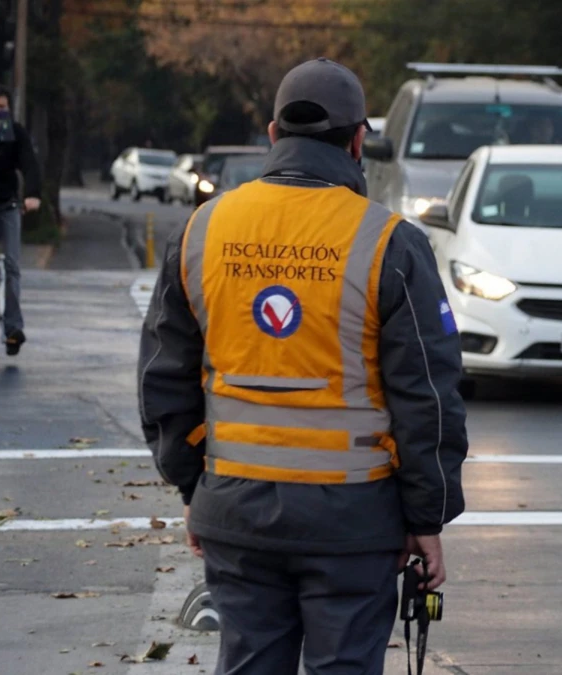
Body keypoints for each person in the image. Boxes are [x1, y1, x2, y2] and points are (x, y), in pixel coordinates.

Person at [138, 58, 468, 675]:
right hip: (354, 523)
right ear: (358, 140)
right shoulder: (390, 243)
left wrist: (194, 487)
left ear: (272, 136)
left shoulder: (202, 231)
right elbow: (426, 394)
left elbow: (165, 376)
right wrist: (427, 515)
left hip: (236, 512)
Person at [0, 82, 41, 355]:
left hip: (8, 203)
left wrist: (33, 194)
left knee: (13, 266)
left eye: (1, 107)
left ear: (8, 108)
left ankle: (13, 328)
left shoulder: (16, 134)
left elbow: (30, 163)